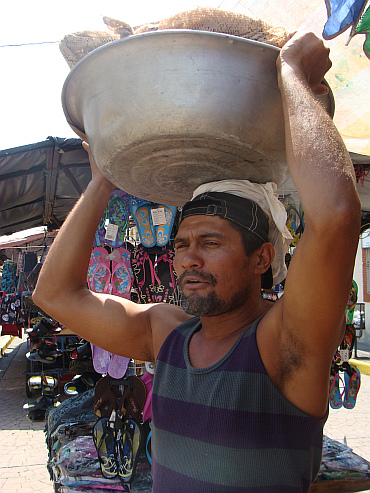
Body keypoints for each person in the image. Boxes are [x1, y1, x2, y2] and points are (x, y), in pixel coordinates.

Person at [33, 31, 361, 492]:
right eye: (182, 243)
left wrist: (292, 76)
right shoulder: (166, 333)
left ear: (262, 257)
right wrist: (104, 180)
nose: (187, 258)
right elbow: (55, 295)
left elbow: (336, 218)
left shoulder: (285, 342)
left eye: (210, 242)